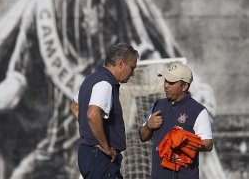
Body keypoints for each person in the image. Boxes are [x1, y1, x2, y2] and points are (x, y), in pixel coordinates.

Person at [70, 43, 138, 179]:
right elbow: (92, 114)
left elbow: (74, 106)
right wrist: (105, 147)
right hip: (100, 156)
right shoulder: (105, 83)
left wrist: (90, 129)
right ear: (120, 64)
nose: (133, 73)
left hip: (90, 154)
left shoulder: (91, 79)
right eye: (132, 67)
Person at [138, 63, 213, 179]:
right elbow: (143, 136)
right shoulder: (157, 105)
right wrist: (148, 126)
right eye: (165, 80)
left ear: (185, 86)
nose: (166, 85)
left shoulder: (199, 111)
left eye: (171, 82)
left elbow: (208, 145)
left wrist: (184, 142)